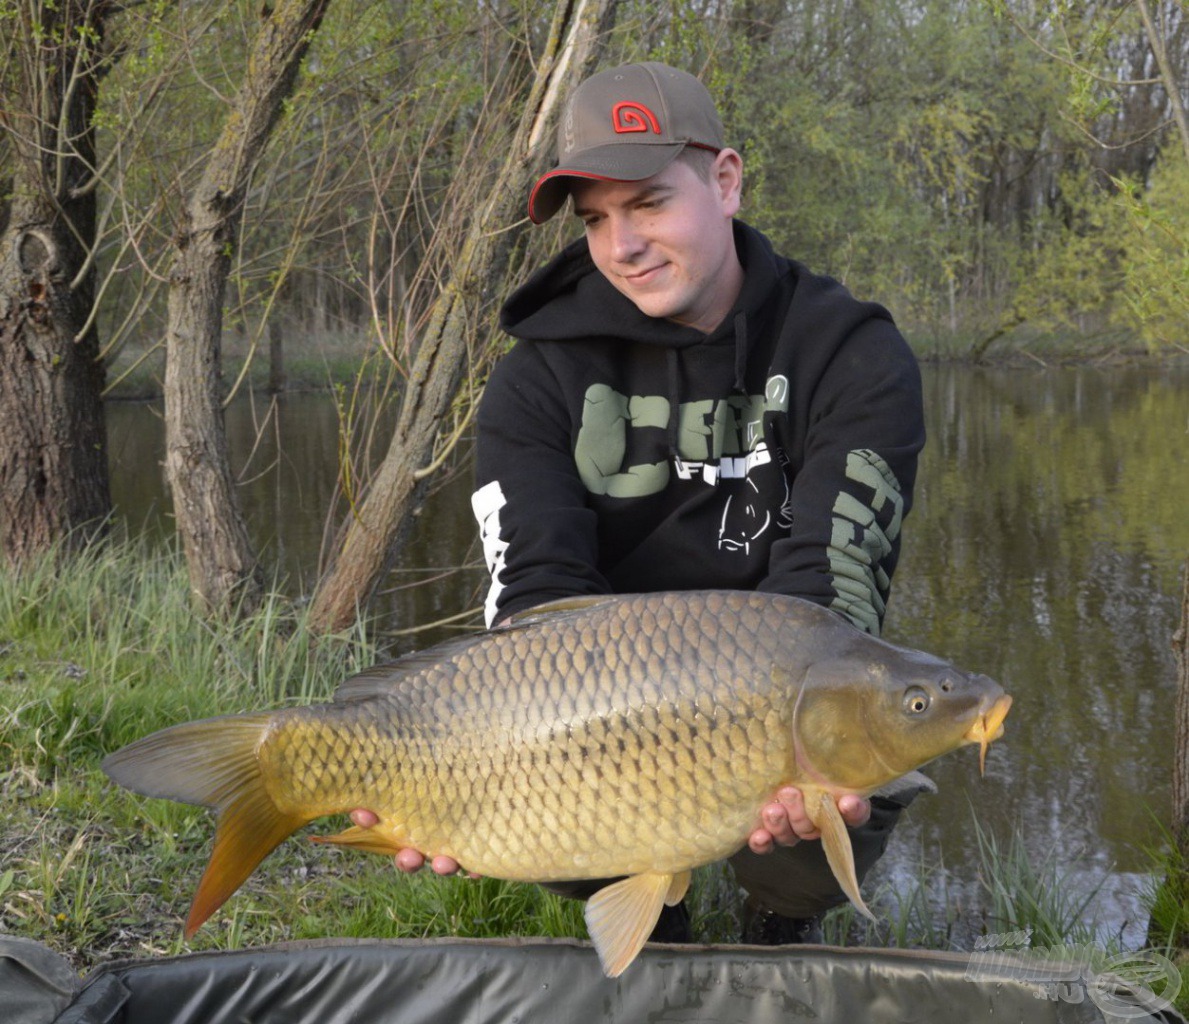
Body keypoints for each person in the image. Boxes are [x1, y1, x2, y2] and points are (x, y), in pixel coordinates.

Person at [354, 61, 926, 945]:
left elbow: (832, 597)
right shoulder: (535, 376)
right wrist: (456, 779)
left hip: (770, 684)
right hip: (596, 709)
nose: (621, 245)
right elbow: (533, 596)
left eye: (649, 203)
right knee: (529, 780)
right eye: (595, 219)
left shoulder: (850, 353)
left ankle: (779, 923)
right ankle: (657, 942)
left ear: (725, 181)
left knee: (839, 783)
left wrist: (778, 774)